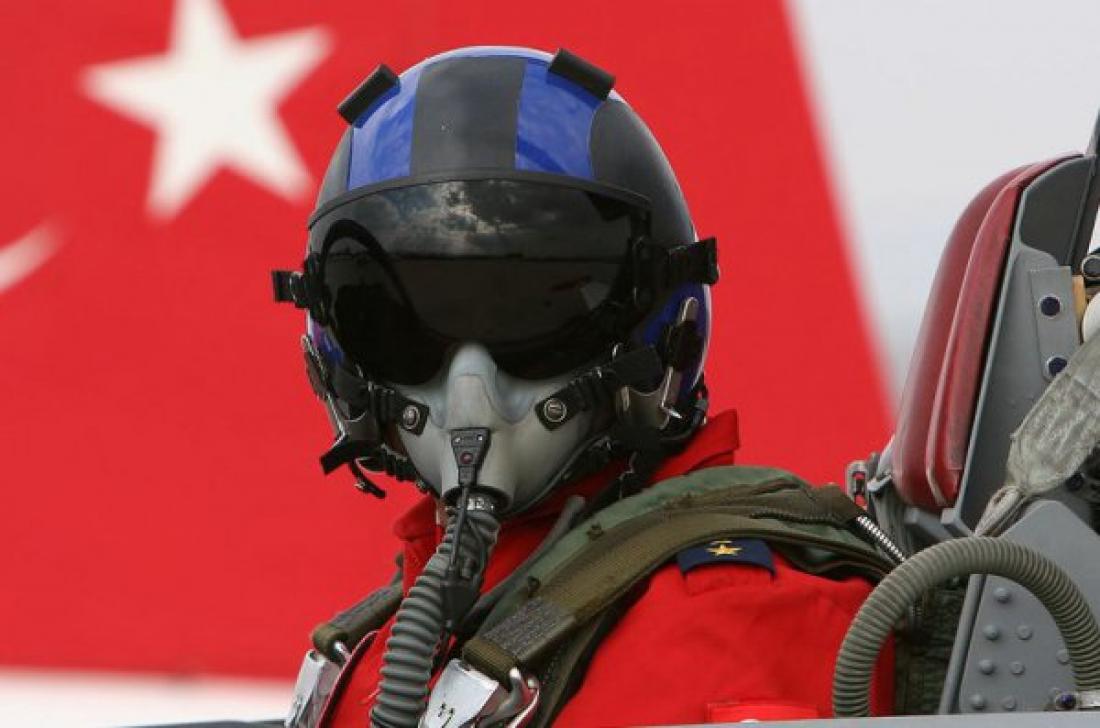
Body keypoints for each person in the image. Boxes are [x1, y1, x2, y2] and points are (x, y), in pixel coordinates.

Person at [272, 46, 894, 728]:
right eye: (410, 325)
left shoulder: (730, 622)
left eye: (530, 316)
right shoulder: (409, 627)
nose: (471, 386)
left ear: (653, 329)